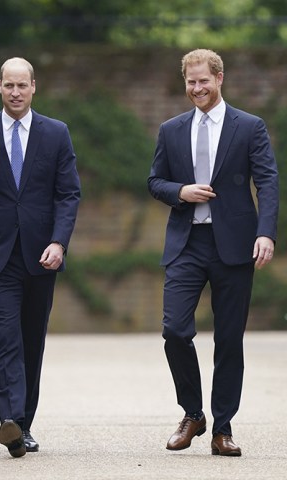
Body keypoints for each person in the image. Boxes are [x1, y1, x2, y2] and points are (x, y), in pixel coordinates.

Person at [148, 49, 278, 456]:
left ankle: (223, 428)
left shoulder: (249, 126)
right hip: (187, 243)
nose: (197, 88)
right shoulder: (171, 130)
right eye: (191, 81)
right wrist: (180, 191)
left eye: (204, 80)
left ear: (220, 78)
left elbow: (268, 182)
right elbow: (155, 181)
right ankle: (193, 413)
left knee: (229, 340)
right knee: (174, 330)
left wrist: (266, 233)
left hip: (235, 246)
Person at [0, 57, 81, 457]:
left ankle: (23, 425)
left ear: (33, 87)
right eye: (8, 85)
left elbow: (68, 194)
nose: (15, 92)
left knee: (31, 342)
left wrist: (59, 243)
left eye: (21, 85)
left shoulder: (56, 134)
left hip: (42, 256)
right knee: (7, 338)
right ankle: (10, 420)